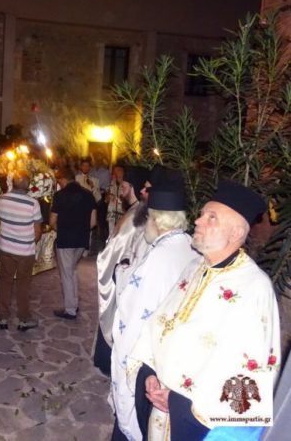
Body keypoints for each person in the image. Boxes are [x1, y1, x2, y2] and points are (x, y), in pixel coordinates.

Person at [130, 180, 280, 441]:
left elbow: (247, 374)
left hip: (196, 422)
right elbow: (160, 323)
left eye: (211, 217)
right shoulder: (195, 267)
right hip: (161, 406)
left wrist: (179, 403)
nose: (198, 221)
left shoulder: (254, 288)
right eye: (202, 214)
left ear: (234, 233)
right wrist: (149, 372)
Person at [110, 178, 199, 441]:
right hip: (170, 351)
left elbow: (135, 306)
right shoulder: (189, 245)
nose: (147, 223)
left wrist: (122, 275)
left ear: (157, 221)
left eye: (149, 218)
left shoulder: (160, 254)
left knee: (136, 413)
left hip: (148, 352)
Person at [94, 165, 150, 376]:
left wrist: (103, 257)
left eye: (124, 185)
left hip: (122, 275)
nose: (122, 189)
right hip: (122, 273)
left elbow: (116, 249)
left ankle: (108, 362)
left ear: (133, 187)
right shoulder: (135, 210)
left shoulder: (136, 216)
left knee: (115, 317)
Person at [0, 171, 43, 331]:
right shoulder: (33, 203)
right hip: (25, 251)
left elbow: (1, 218)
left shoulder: (3, 199)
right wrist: (30, 242)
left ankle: (3, 317)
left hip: (5, 247)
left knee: (5, 282)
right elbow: (37, 231)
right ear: (28, 185)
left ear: (13, 183)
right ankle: (23, 319)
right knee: (23, 285)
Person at [50, 167, 97, 319]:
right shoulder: (88, 194)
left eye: (59, 181)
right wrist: (81, 231)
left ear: (63, 179)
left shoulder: (59, 195)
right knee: (72, 271)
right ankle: (74, 304)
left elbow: (52, 221)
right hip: (82, 240)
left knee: (66, 275)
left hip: (65, 240)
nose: (59, 184)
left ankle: (70, 309)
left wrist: (62, 230)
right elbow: (93, 222)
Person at [107, 164, 125, 235]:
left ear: (122, 172)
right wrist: (108, 196)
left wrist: (116, 198)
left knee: (120, 232)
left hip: (121, 212)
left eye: (118, 171)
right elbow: (107, 198)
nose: (116, 173)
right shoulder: (112, 182)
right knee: (111, 231)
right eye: (114, 171)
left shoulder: (126, 184)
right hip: (112, 211)